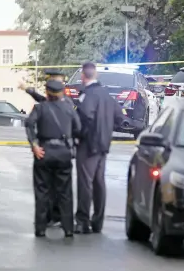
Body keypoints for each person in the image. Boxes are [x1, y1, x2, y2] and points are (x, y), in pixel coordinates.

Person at [74, 62, 129, 234]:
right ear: (95, 75)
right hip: (103, 145)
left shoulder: (88, 95)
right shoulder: (106, 95)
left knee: (85, 183)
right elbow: (120, 118)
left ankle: (82, 221)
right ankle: (97, 222)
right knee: (99, 183)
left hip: (88, 145)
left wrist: (78, 136)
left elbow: (85, 117)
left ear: (83, 76)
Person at [24, 80, 82, 238]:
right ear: (61, 93)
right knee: (65, 191)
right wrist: (72, 144)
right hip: (64, 153)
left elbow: (29, 124)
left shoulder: (40, 108)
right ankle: (68, 228)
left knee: (42, 190)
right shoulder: (69, 109)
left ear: (47, 92)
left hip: (44, 152)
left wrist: (34, 144)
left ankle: (41, 228)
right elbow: (78, 128)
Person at [18, 68, 72, 226]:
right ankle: (56, 218)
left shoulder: (65, 102)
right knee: (53, 186)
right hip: (60, 151)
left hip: (51, 150)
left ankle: (55, 217)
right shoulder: (56, 102)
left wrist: (34, 144)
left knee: (53, 187)